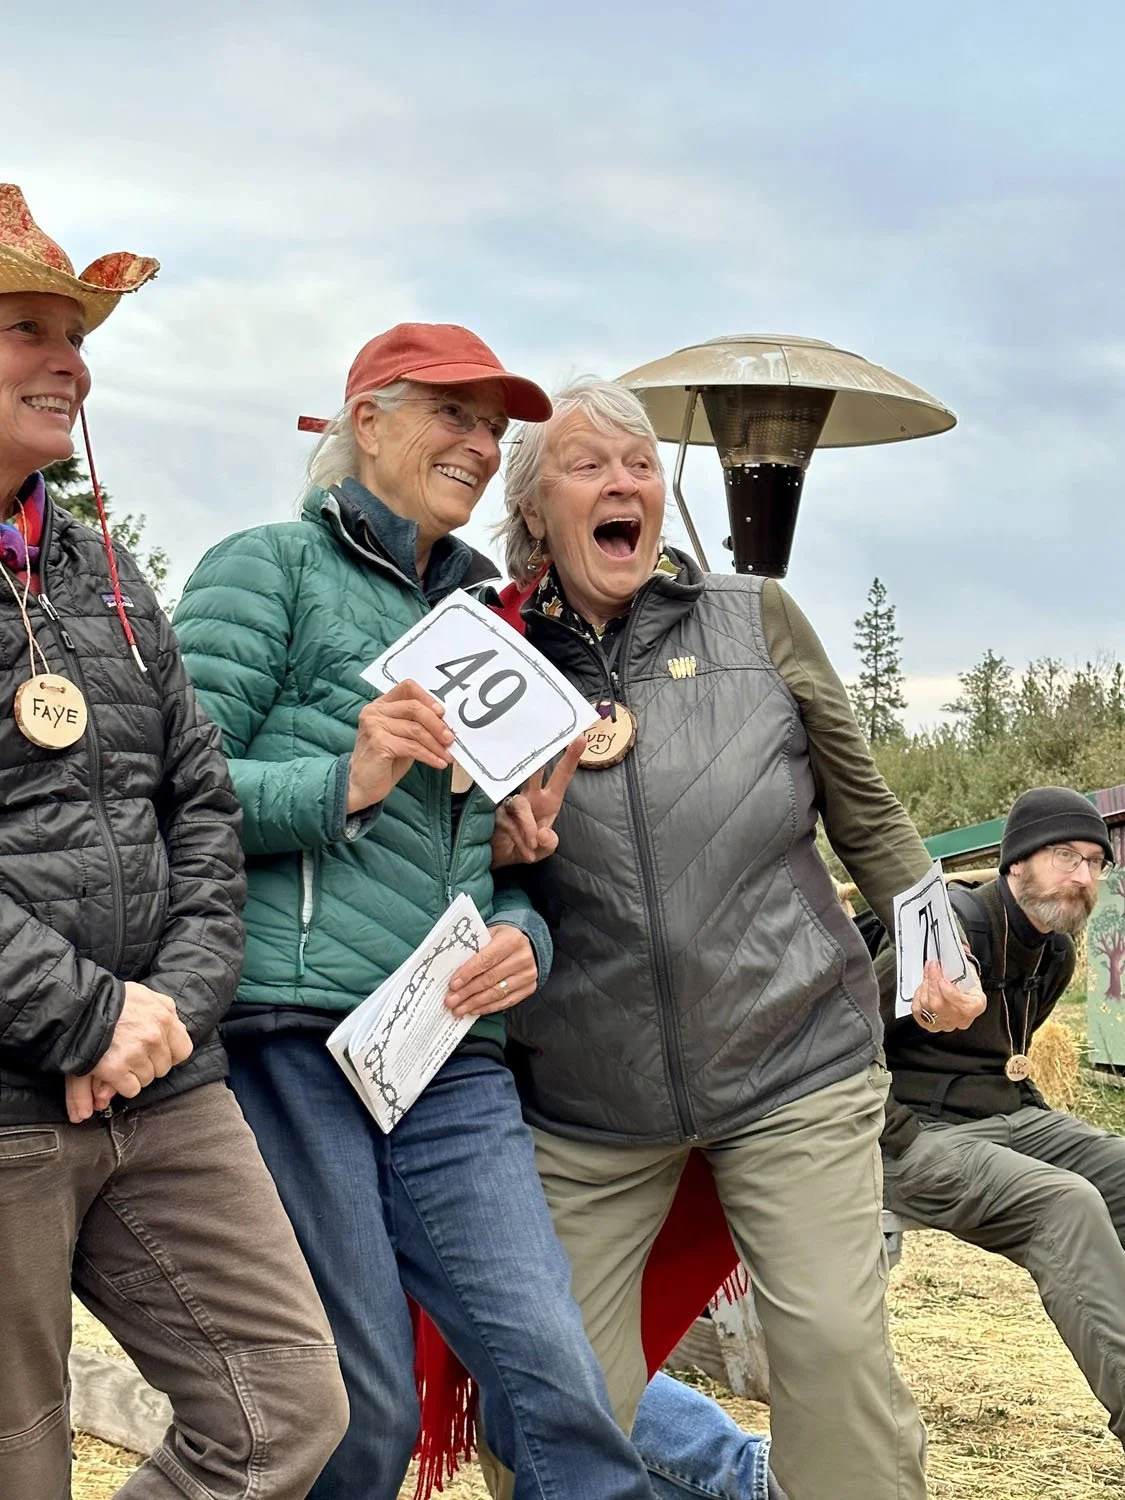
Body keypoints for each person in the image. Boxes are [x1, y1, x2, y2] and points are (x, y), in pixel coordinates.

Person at [173, 324, 657, 1500]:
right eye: (454, 413)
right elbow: (166, 792)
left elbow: (499, 864)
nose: (483, 444)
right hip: (292, 1038)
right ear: (368, 422)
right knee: (365, 1410)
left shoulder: (489, 626)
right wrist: (339, 780)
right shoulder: (267, 568)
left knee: (557, 1379)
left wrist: (520, 935)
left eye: (495, 426)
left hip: (447, 1044)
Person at [485, 377, 987, 1500]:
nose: (624, 484)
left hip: (791, 1059)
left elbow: (866, 810)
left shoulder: (753, 618)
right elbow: (442, 854)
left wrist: (935, 950)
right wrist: (498, 848)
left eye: (639, 466)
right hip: (585, 1099)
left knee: (836, 1366)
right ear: (534, 514)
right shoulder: (498, 656)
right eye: (587, 466)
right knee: (549, 1410)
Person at [0, 185, 348, 1498]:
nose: (69, 360)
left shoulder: (99, 569)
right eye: (27, 327)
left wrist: (166, 1008)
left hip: (162, 1082)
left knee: (284, 1416)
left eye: (74, 333)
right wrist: (79, 1016)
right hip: (8, 1099)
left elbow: (199, 799)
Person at [598, 785, 1125, 1492]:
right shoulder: (953, 927)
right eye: (1066, 856)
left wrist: (1037, 1114)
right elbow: (841, 1032)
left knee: (1115, 1170)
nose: (1084, 877)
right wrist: (895, 1136)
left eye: (1096, 862)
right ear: (1016, 862)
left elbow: (1002, 1053)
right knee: (1063, 1204)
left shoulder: (1053, 954)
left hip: (995, 1118)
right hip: (899, 1133)